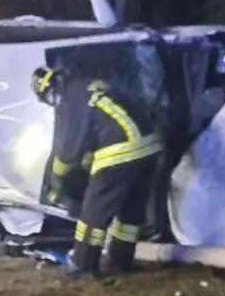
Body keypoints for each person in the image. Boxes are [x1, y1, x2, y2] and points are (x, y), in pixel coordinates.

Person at [32, 66, 168, 277]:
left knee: (94, 212)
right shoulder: (90, 85)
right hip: (149, 146)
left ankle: (82, 264)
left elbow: (68, 151)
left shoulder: (69, 99)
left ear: (49, 90)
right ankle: (119, 260)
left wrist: (57, 179)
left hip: (120, 150)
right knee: (131, 210)